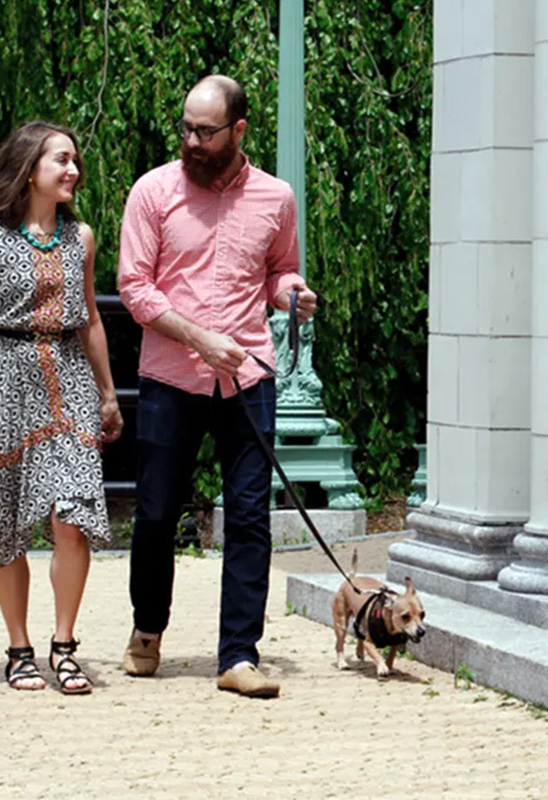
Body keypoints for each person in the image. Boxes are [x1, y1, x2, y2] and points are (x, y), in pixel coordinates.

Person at [116, 75, 318, 698]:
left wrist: (293, 294)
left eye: (206, 131)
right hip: (172, 376)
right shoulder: (153, 191)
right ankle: (147, 629)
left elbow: (280, 269)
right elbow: (135, 288)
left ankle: (238, 656)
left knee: (251, 516)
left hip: (248, 375)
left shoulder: (276, 198)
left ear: (238, 131)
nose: (192, 141)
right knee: (154, 514)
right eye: (186, 128)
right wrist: (200, 339)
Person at [0, 121, 122, 694]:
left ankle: (64, 645)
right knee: (6, 524)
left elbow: (89, 317)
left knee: (73, 514)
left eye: (75, 161)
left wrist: (109, 393)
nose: (73, 170)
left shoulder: (81, 237)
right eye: (61, 160)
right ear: (29, 168)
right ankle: (19, 648)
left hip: (67, 380)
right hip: (2, 382)